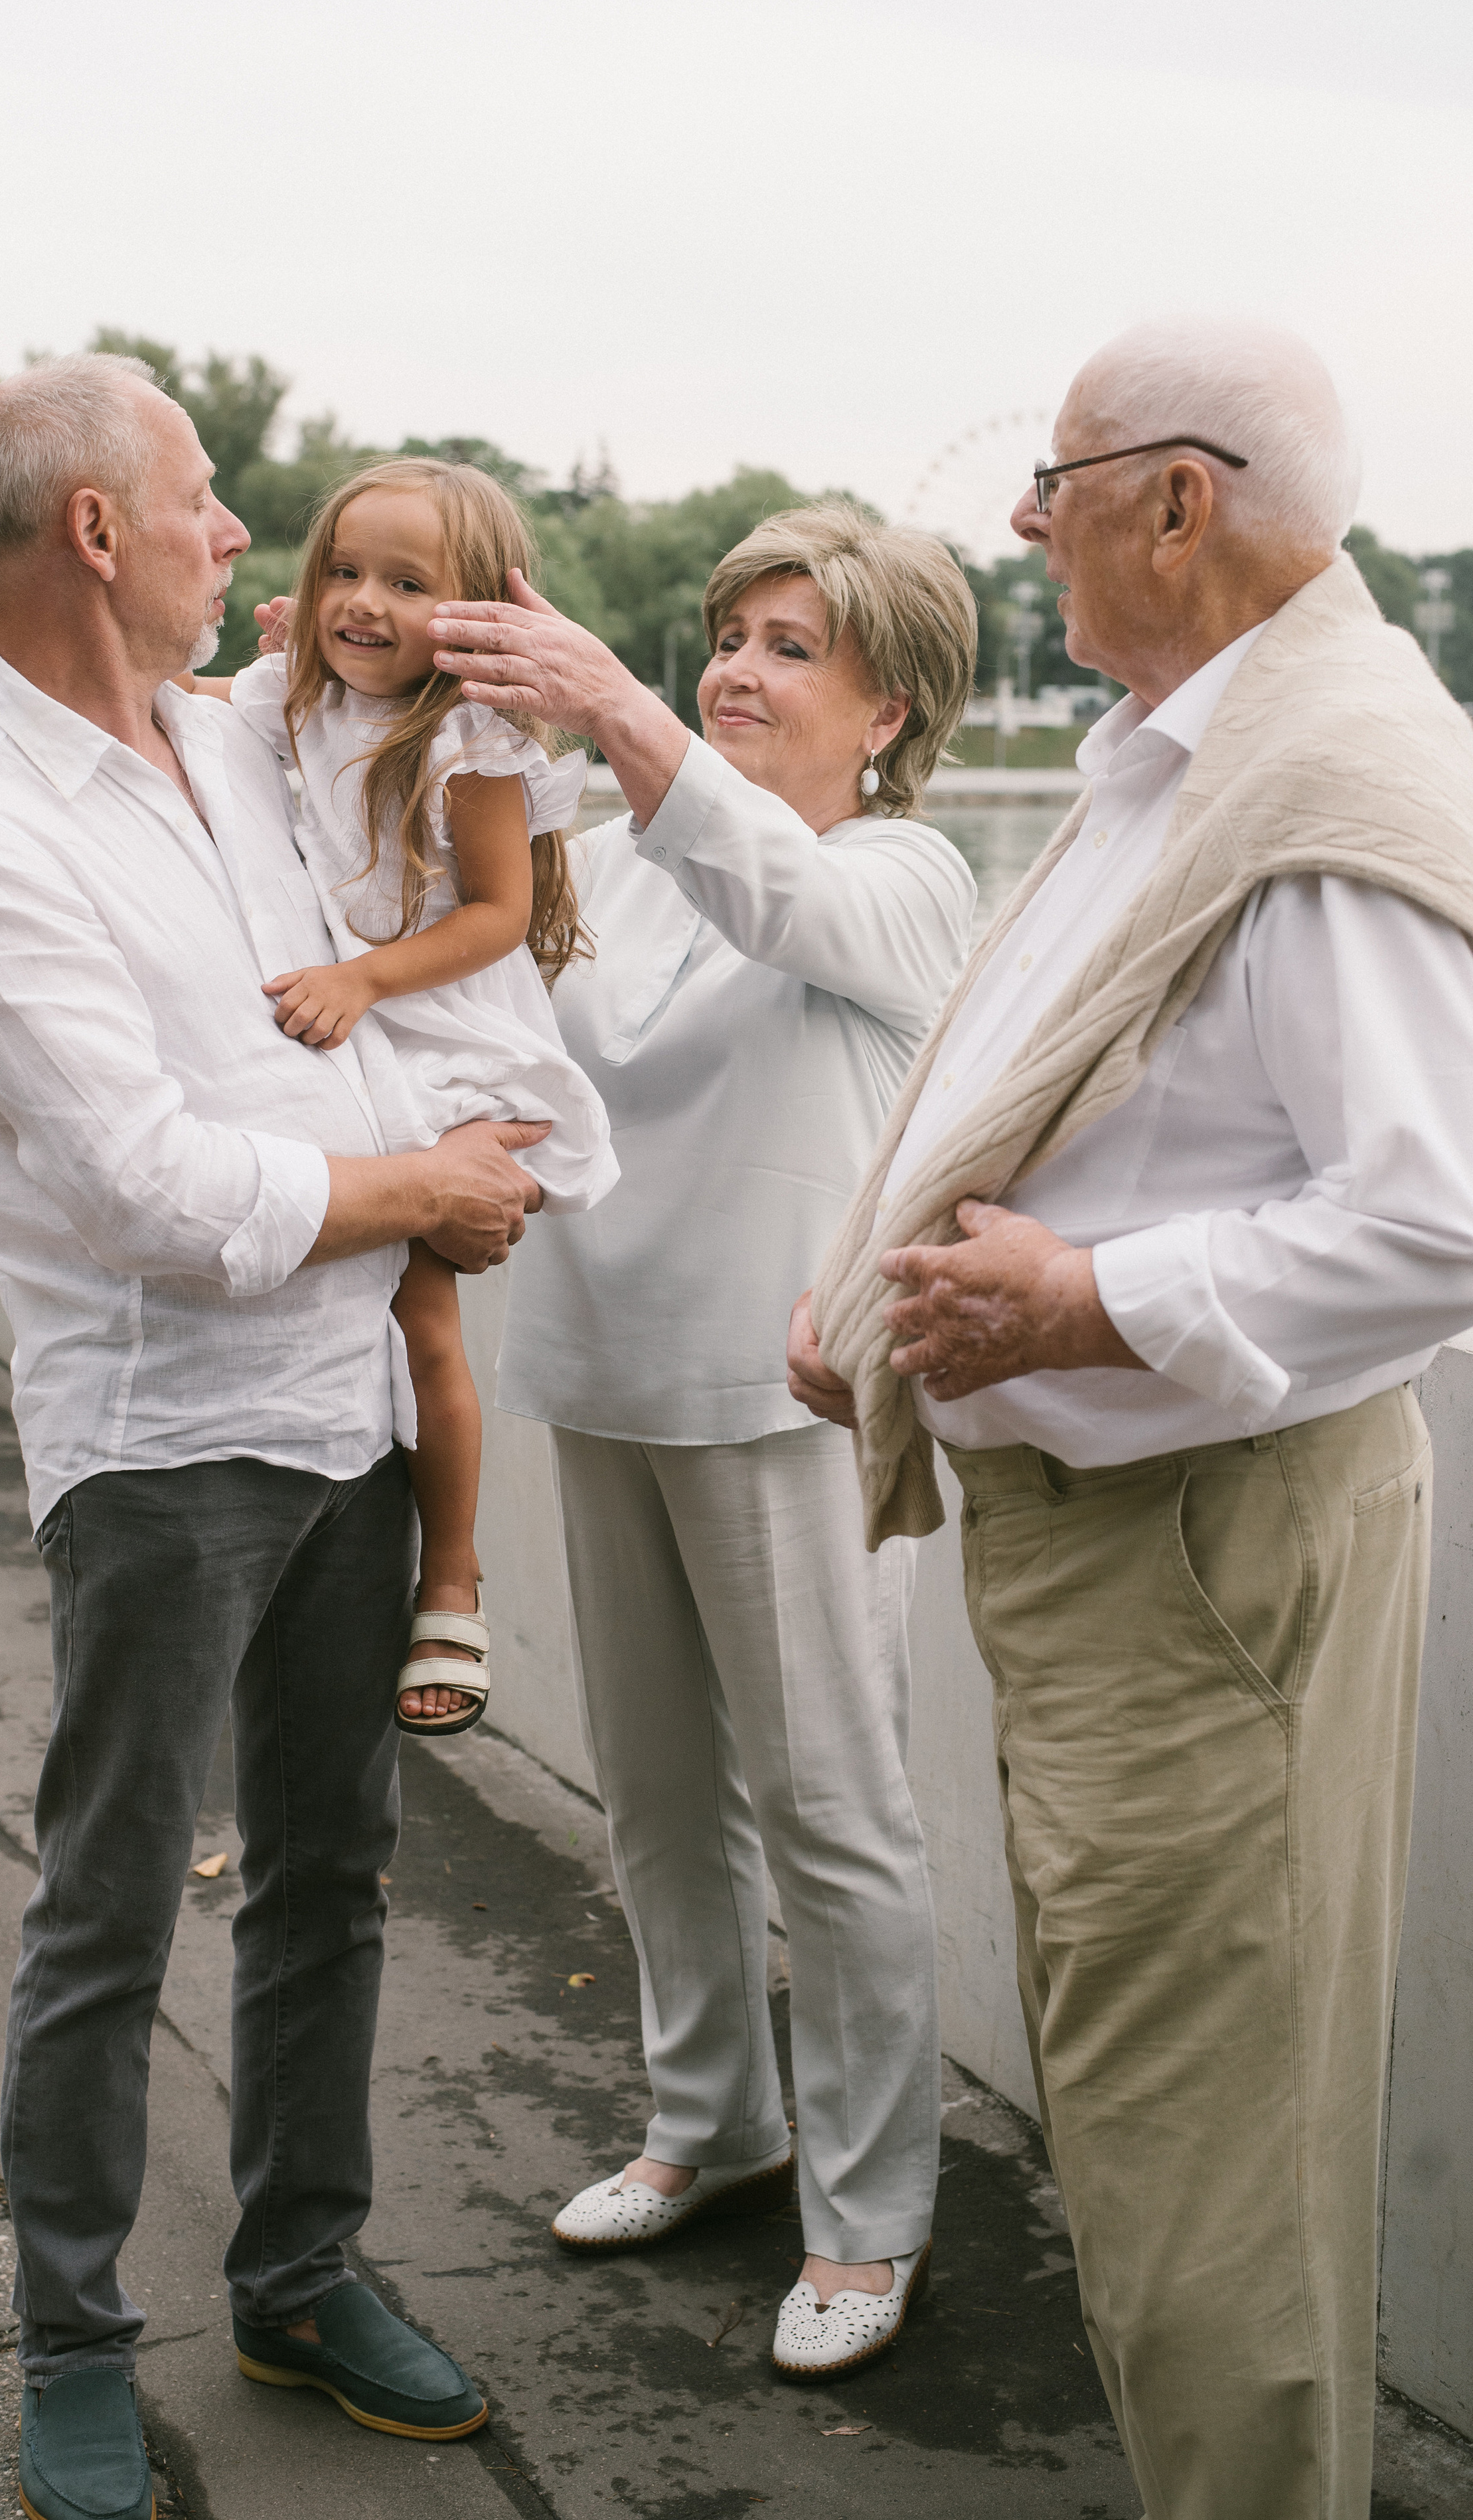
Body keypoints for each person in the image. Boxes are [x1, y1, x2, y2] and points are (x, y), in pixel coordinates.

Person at [791, 321, 1473, 2518]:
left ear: (1181, 501)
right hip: (1141, 1542)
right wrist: (898, 1297)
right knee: (1161, 2124)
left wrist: (1088, 1294)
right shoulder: (1190, 757)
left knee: (1213, 2193)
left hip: (1206, 1550)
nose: (1020, 516)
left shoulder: (1329, 793)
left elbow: (1441, 1216)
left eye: (1057, 473)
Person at [0, 353, 546, 2520]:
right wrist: (428, 1191)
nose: (239, 532)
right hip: (171, 1445)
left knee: (332, 1872)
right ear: (95, 530)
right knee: (112, 1897)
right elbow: (155, 1192)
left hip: (348, 1405)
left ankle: (299, 2272)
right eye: (206, 497)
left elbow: (409, 786)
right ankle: (75, 2339)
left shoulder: (235, 747)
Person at [424, 505, 978, 2377]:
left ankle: (872, 2213)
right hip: (603, 1359)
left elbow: (781, 899)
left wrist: (615, 702)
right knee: (659, 1798)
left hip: (787, 1395)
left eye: (793, 644)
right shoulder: (624, 855)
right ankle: (713, 2120)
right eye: (727, 632)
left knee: (836, 1811)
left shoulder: (911, 874)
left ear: (889, 703)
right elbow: (449, 907)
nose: (738, 665)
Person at [185, 457, 616, 1736]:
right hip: (350, 1017)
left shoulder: (469, 741)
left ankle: (453, 1576)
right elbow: (197, 707)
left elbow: (498, 913)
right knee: (352, 1288)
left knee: (423, 1306)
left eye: (408, 583)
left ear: (474, 612)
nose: (364, 602)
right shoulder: (294, 696)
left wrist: (367, 977)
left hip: (434, 1027)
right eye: (345, 573)